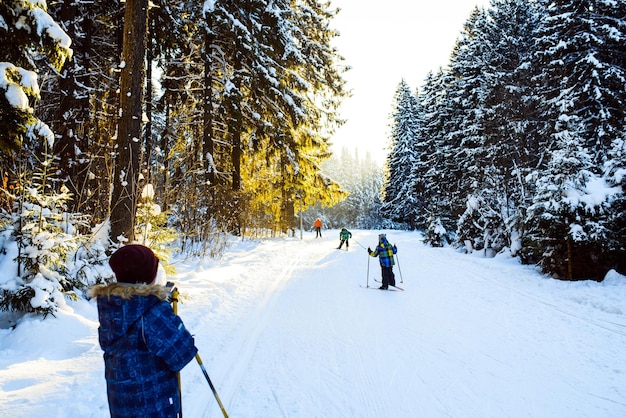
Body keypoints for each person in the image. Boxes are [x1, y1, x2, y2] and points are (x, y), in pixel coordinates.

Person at [90, 244, 198, 418]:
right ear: (149, 276)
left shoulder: (112, 306)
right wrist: (163, 309)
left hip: (121, 407)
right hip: (153, 406)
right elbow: (183, 354)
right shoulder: (151, 311)